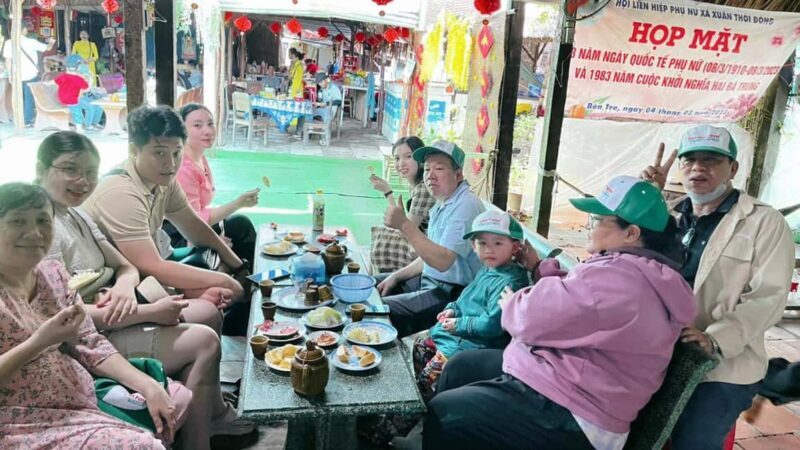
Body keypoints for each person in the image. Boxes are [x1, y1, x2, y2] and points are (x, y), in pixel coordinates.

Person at [423, 175, 698, 450]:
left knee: (445, 415)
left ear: (632, 233)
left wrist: (512, 303)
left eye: (599, 220)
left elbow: (528, 318)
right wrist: (539, 268)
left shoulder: (620, 279)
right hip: (567, 382)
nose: (590, 226)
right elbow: (580, 298)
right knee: (461, 367)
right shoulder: (643, 273)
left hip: (574, 413)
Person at [36, 131, 255, 448]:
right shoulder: (44, 230)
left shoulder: (76, 213)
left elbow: (127, 265)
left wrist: (125, 287)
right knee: (203, 340)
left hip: (115, 309)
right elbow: (63, 318)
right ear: (42, 168)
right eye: (70, 170)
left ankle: (210, 414)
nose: (82, 181)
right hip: (87, 338)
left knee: (208, 313)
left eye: (89, 173)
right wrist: (151, 310)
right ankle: (198, 439)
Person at [0, 182, 190, 449]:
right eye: (17, 221)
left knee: (175, 398)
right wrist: (39, 342)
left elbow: (90, 342)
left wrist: (148, 386)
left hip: (78, 399)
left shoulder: (52, 274)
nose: (34, 233)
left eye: (43, 220)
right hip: (21, 420)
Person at [639, 125, 795, 449]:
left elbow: (768, 298)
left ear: (732, 169)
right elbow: (630, 257)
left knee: (693, 440)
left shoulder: (763, 223)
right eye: (690, 160)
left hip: (723, 364)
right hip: (659, 351)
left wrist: (715, 339)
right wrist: (645, 202)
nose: (698, 168)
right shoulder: (668, 214)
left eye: (711, 160)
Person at [361, 210, 530, 446]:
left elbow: (492, 324)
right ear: (473, 246)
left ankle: (387, 429)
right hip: (453, 333)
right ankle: (427, 398)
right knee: (420, 345)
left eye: (497, 243)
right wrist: (452, 308)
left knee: (426, 378)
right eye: (482, 243)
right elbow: (466, 298)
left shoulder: (511, 282)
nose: (489, 249)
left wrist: (458, 323)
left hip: (471, 344)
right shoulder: (487, 270)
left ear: (514, 247)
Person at [82, 105, 251, 336]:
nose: (170, 164)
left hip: (142, 275)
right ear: (134, 150)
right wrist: (226, 280)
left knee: (217, 277)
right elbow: (153, 266)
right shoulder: (121, 191)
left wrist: (239, 266)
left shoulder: (164, 182)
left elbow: (196, 229)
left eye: (176, 153)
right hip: (113, 289)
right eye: (159, 152)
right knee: (210, 306)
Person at [378, 140, 485, 337]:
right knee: (369, 286)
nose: (430, 175)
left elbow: (442, 261)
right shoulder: (443, 202)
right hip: (430, 280)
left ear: (458, 174)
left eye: (439, 168)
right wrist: (395, 276)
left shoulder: (466, 205)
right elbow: (428, 257)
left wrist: (405, 224)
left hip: (452, 296)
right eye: (427, 169)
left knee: (376, 310)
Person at [174, 104, 258, 273]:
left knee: (240, 224)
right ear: (182, 131)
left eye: (210, 124)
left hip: (196, 226)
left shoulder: (199, 157)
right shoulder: (183, 167)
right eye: (197, 125)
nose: (207, 131)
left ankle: (249, 278)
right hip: (179, 236)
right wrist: (237, 203)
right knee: (240, 226)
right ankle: (246, 281)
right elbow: (193, 220)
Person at [369, 136, 436, 273]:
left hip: (428, 247)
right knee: (382, 233)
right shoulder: (416, 185)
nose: (401, 163)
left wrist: (387, 192)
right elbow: (401, 221)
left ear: (421, 159)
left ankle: (375, 283)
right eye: (397, 158)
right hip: (421, 239)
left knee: (382, 238)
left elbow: (404, 229)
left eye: (408, 156)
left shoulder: (424, 189)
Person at [1, 26, 56, 126]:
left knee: (18, 97)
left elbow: (8, 60)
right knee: (29, 97)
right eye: (26, 28)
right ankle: (27, 120)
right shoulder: (31, 42)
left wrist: (10, 74)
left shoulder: (9, 43)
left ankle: (17, 117)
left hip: (17, 74)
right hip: (31, 74)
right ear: (23, 30)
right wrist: (52, 41)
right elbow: (47, 48)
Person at [54, 55, 103, 132]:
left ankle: (95, 123)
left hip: (81, 95)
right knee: (90, 106)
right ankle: (87, 125)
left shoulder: (83, 69)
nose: (81, 63)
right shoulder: (72, 74)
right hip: (76, 97)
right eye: (79, 62)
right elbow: (84, 86)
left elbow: (88, 81)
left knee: (98, 105)